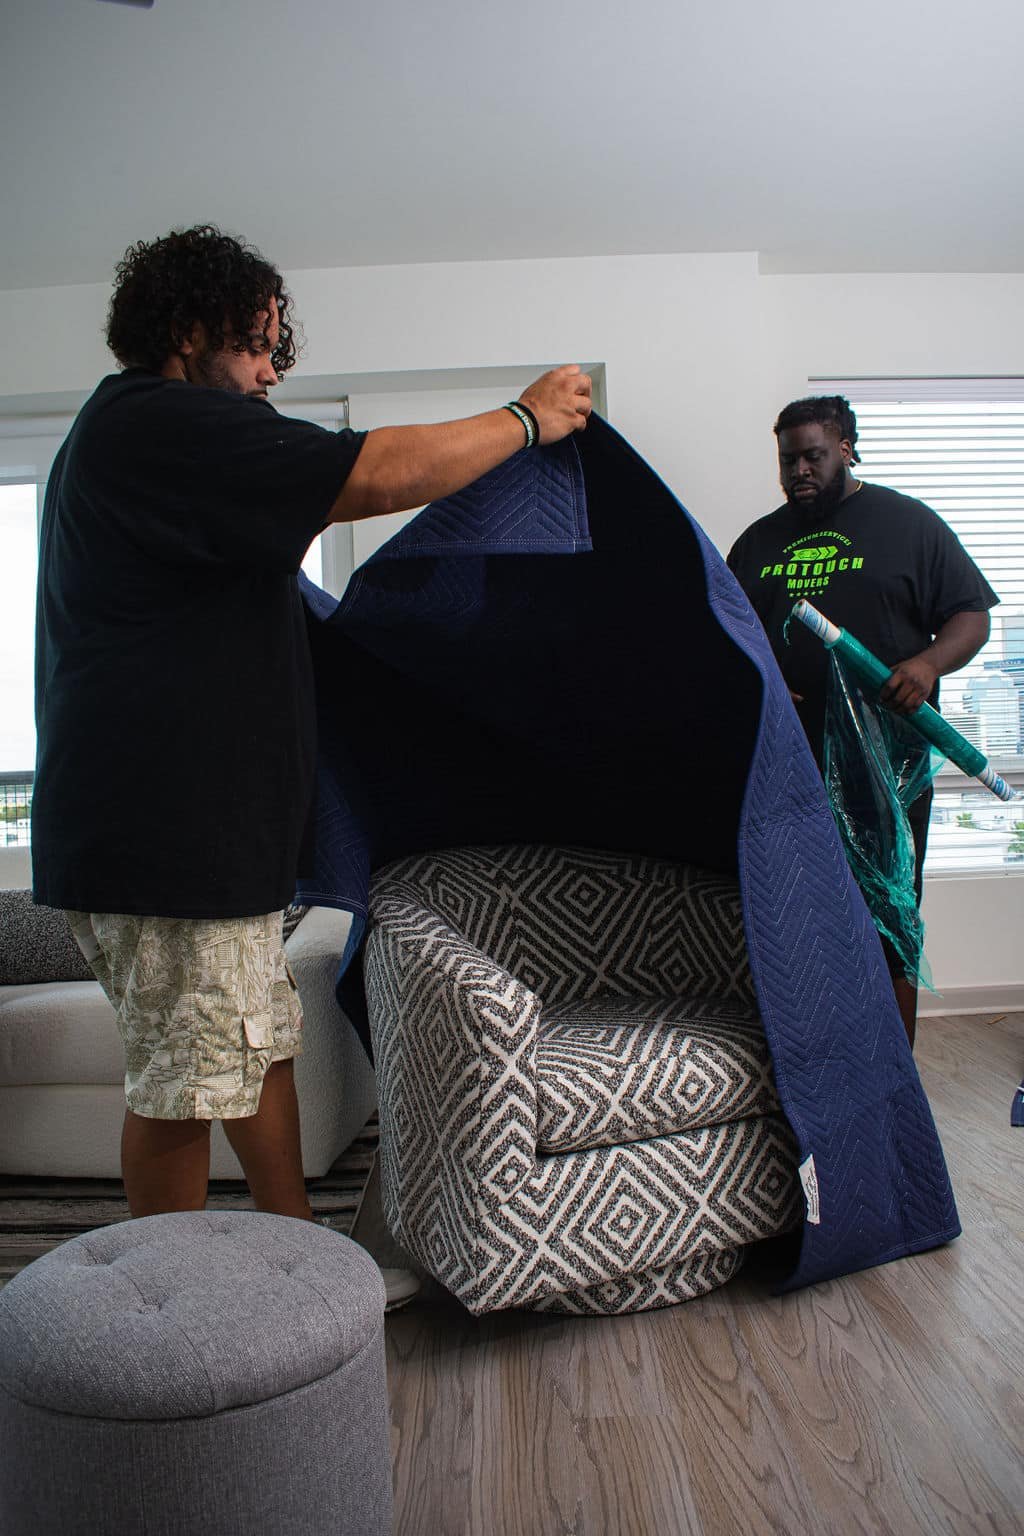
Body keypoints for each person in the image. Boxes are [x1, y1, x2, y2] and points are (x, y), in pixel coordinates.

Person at [31, 224, 592, 1289]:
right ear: (189, 331)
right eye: (256, 344)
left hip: (199, 844)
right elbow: (372, 473)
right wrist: (524, 420)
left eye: (279, 350)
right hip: (165, 846)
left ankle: (299, 1255)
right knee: (185, 1085)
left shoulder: (155, 449)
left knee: (256, 1045)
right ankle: (170, 1310)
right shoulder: (158, 423)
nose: (272, 372)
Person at [726, 394, 998, 1048]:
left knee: (889, 917)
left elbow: (971, 614)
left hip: (885, 769)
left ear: (846, 446)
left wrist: (929, 665)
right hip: (789, 764)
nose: (799, 473)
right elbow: (724, 637)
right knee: (800, 919)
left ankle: (890, 1067)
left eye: (813, 456)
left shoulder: (908, 526)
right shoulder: (759, 543)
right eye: (788, 460)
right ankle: (815, 1062)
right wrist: (757, 684)